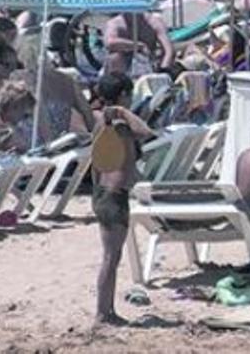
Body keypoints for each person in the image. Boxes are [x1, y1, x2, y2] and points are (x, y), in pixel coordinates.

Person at [89, 72, 154, 326]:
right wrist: (124, 112)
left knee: (112, 257)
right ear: (123, 95)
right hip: (113, 196)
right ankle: (103, 313)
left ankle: (107, 311)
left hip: (106, 194)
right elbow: (146, 131)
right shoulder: (118, 124)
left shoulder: (101, 123)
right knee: (110, 258)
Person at [101, 11, 176, 76]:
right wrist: (139, 46)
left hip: (149, 62)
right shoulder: (115, 23)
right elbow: (109, 43)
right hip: (123, 65)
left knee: (161, 54)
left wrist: (163, 70)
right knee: (115, 57)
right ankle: (118, 83)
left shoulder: (154, 22)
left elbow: (169, 50)